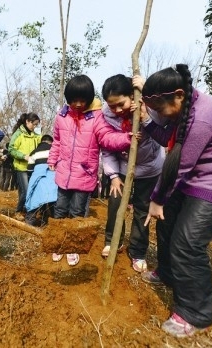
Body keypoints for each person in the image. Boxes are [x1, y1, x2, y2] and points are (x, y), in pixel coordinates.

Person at [140, 64, 212, 338]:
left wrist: (156, 199)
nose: (158, 114)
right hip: (196, 175)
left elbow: (179, 167)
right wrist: (145, 116)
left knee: (187, 243)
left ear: (178, 96)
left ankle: (195, 313)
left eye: (159, 107)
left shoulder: (202, 119)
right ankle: (167, 272)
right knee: (166, 225)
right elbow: (167, 136)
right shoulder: (183, 108)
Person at [47, 74, 134, 266]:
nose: (78, 104)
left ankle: (73, 247)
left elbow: (107, 138)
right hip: (63, 175)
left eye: (82, 100)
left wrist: (127, 139)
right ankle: (59, 244)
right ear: (67, 99)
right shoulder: (61, 117)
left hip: (84, 176)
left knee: (78, 213)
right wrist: (53, 158)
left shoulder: (96, 118)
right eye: (73, 100)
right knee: (60, 210)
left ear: (89, 99)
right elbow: (57, 141)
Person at [100, 74, 165, 273]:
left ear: (132, 95)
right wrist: (113, 176)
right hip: (121, 167)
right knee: (115, 204)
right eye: (112, 106)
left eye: (121, 104)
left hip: (149, 167)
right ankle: (113, 241)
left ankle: (138, 251)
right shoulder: (106, 117)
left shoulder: (149, 105)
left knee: (141, 209)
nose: (118, 110)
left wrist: (146, 102)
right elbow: (107, 147)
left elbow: (164, 123)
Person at [8, 113, 41, 221]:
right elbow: (11, 149)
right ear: (27, 121)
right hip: (21, 167)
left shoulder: (36, 136)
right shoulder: (18, 134)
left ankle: (26, 210)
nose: (35, 127)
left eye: (37, 125)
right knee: (26, 191)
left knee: (29, 190)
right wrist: (23, 156)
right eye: (34, 124)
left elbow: (42, 144)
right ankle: (18, 211)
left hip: (32, 167)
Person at [25, 134, 56, 226]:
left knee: (34, 200)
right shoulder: (54, 150)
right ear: (51, 142)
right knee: (53, 202)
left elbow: (30, 169)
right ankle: (53, 222)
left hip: (37, 179)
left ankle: (30, 222)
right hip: (53, 180)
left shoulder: (34, 152)